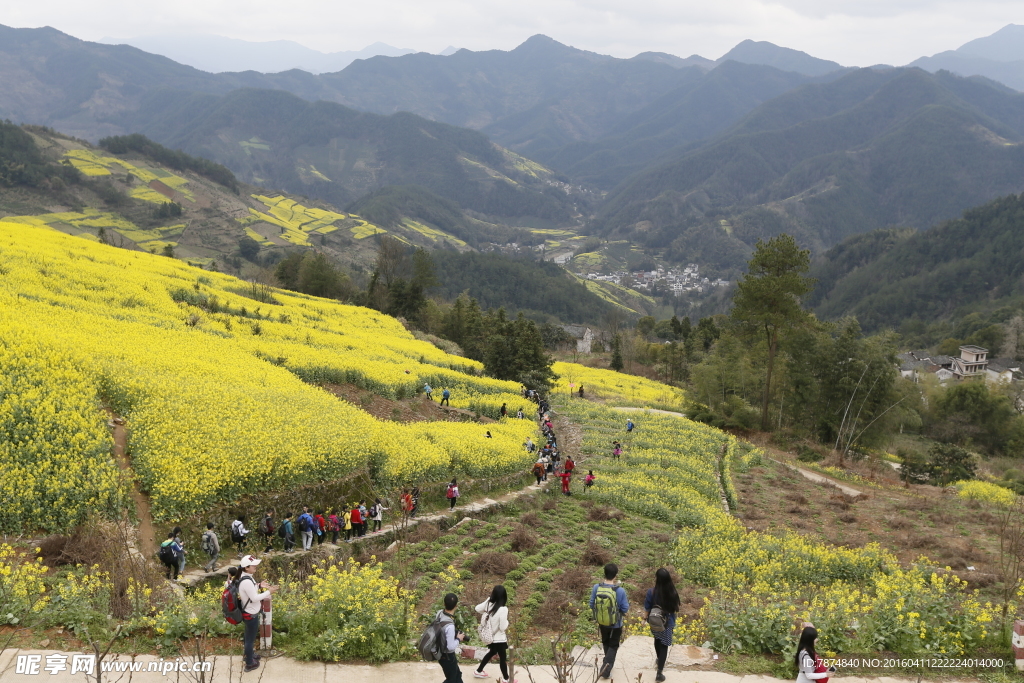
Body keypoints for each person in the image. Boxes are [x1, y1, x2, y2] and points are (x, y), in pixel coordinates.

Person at [236, 555, 278, 673]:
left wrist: (259, 585)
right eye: (253, 565)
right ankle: (249, 663)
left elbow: (251, 590)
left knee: (248, 636)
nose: (256, 566)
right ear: (246, 567)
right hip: (251, 614)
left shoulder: (247, 577)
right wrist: (269, 592)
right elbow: (254, 598)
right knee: (250, 639)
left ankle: (249, 654)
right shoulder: (246, 581)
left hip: (249, 612)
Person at [590, 563, 629, 680]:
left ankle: (606, 663)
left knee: (606, 642)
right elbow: (625, 608)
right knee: (614, 645)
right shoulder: (620, 590)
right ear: (615, 575)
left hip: (602, 621)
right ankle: (606, 669)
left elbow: (591, 604)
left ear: (604, 573)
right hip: (616, 623)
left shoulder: (596, 587)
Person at [643, 569, 680, 682]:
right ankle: (659, 673)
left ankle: (659, 659)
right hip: (668, 623)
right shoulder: (672, 592)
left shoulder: (652, 592)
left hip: (655, 621)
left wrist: (644, 619)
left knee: (657, 639)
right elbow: (676, 608)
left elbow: (647, 608)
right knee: (664, 645)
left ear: (657, 579)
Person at [474, 585, 511, 682]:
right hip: (499, 639)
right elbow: (502, 628)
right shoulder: (503, 609)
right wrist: (507, 622)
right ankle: (506, 679)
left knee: (492, 652)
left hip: (490, 636)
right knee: (503, 658)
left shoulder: (488, 604)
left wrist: (487, 601)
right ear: (504, 596)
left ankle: (479, 671)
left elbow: (477, 608)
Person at [437, 593, 467, 683]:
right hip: (447, 656)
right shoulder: (450, 626)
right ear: (456, 606)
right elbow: (450, 646)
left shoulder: (439, 613)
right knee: (452, 679)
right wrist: (458, 639)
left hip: (439, 651)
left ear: (444, 604)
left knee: (457, 675)